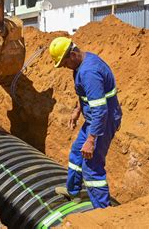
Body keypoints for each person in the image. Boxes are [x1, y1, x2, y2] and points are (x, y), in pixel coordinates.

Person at [49, 37, 122, 209]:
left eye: (65, 63)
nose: (65, 67)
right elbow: (87, 95)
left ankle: (103, 212)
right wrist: (77, 110)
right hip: (94, 119)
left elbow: (100, 109)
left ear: (73, 55)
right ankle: (73, 191)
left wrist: (91, 140)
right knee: (76, 152)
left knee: (92, 167)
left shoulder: (89, 72)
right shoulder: (82, 63)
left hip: (102, 122)